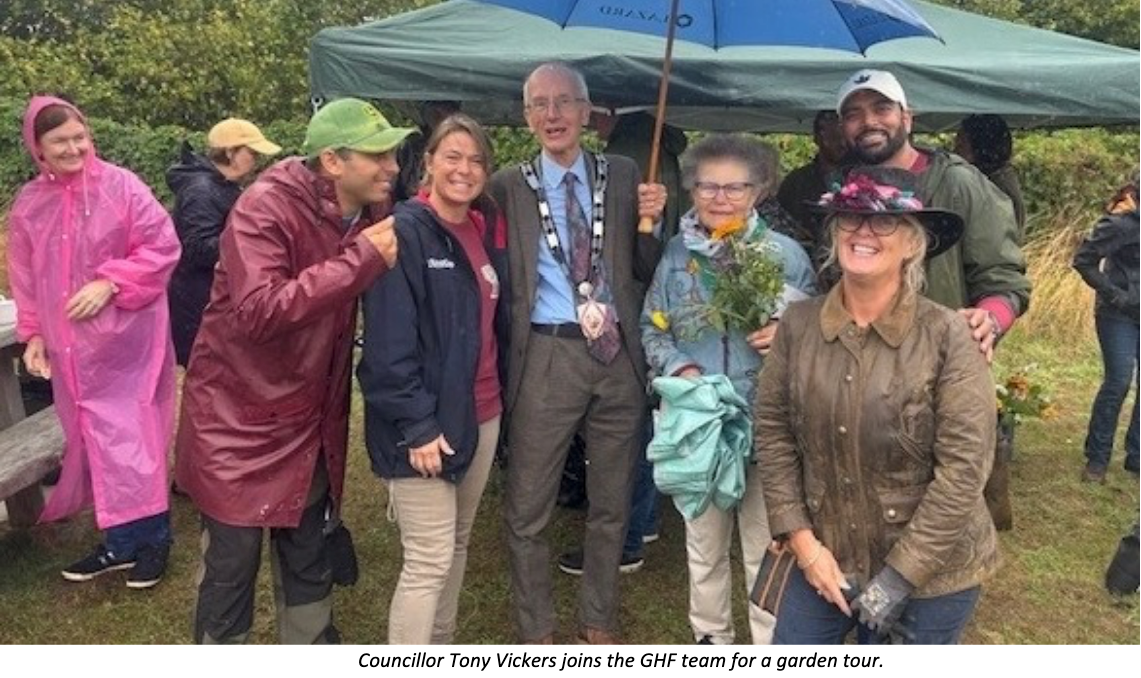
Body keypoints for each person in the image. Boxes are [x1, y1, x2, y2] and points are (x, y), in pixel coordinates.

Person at [174, 97, 409, 644]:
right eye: (378, 155)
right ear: (333, 161)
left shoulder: (370, 207)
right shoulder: (263, 209)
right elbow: (258, 311)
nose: (393, 166)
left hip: (309, 415)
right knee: (232, 563)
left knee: (308, 550)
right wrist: (361, 261)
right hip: (238, 417)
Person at [756, 166, 998, 644]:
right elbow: (773, 432)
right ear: (834, 233)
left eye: (884, 220)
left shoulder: (948, 335)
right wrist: (803, 544)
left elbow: (964, 470)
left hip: (932, 567)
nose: (863, 231)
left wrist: (898, 578)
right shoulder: (798, 325)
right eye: (850, 218)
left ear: (913, 243)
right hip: (824, 550)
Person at [488, 61, 666, 644]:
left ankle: (598, 618)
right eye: (539, 103)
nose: (553, 114)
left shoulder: (624, 174)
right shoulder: (507, 186)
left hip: (617, 355)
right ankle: (536, 628)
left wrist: (653, 220)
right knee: (528, 507)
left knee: (612, 503)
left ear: (588, 112)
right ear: (526, 116)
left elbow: (646, 266)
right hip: (547, 354)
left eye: (565, 101)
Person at [640, 134, 817, 645]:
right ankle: (711, 638)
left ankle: (769, 643)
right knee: (704, 545)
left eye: (734, 187)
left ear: (758, 190)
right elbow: (651, 328)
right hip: (699, 425)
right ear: (692, 190)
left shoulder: (785, 255)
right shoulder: (676, 254)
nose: (720, 198)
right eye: (707, 187)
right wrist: (680, 369)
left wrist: (788, 332)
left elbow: (822, 333)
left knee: (767, 545)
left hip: (766, 424)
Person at [6, 95, 181, 588]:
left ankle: (154, 541)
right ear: (37, 147)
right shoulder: (31, 203)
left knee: (135, 436)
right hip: (70, 349)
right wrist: (33, 333)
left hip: (128, 341)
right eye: (59, 141)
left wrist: (111, 282)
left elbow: (162, 245)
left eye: (79, 137)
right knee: (96, 440)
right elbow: (25, 276)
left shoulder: (121, 186)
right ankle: (120, 543)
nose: (73, 148)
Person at [357, 113, 508, 644]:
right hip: (425, 423)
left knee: (457, 543)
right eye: (453, 157)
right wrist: (418, 425)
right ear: (429, 162)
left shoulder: (480, 229)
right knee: (427, 559)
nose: (464, 170)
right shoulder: (405, 232)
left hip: (482, 412)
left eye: (476, 160)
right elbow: (386, 346)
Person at [836, 69, 1030, 358]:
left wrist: (989, 320)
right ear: (842, 128)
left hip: (938, 361)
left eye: (882, 108)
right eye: (854, 114)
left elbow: (1002, 277)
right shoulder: (842, 193)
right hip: (854, 364)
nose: (869, 122)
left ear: (906, 118)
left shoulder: (957, 183)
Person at [166, 118, 281, 367]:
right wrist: (252, 240)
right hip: (197, 304)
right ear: (230, 152)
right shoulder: (202, 190)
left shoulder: (224, 185)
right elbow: (197, 249)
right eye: (252, 153)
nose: (257, 161)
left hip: (214, 299)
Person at [1072, 173, 1139, 483]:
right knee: (1118, 381)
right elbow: (1083, 261)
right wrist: (1115, 295)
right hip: (1118, 315)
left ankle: (1136, 456)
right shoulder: (1119, 225)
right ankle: (1097, 459)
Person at [777, 110, 848, 248]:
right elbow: (780, 221)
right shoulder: (796, 181)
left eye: (845, 138)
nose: (841, 144)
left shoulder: (863, 179)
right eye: (833, 138)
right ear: (817, 138)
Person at [954, 114, 1026, 241]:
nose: (955, 151)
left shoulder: (996, 186)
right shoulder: (996, 178)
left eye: (961, 145)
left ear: (981, 146)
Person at [393, 100, 462, 202]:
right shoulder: (412, 145)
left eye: (446, 109)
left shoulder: (464, 144)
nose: (439, 114)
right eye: (435, 110)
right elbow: (400, 184)